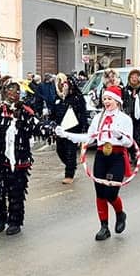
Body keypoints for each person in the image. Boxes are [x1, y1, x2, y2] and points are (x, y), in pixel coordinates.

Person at [0, 79, 52, 235]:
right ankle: (0, 218)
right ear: (3, 91)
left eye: (17, 90)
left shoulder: (24, 111)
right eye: (11, 89)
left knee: (16, 192)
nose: (15, 93)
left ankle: (15, 221)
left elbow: (37, 125)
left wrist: (50, 128)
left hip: (19, 160)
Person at [55, 86, 133, 241]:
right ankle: (104, 227)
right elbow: (89, 138)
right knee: (100, 194)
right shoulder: (99, 118)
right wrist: (66, 134)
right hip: (101, 156)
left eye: (109, 99)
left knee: (111, 193)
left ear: (117, 101)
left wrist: (119, 137)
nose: (106, 101)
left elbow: (129, 143)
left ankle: (120, 213)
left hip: (116, 157)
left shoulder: (125, 119)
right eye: (104, 99)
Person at [48, 73, 89, 185]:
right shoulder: (57, 98)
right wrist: (51, 125)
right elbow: (53, 113)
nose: (62, 86)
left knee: (71, 151)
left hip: (73, 129)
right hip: (60, 129)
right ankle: (71, 165)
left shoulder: (77, 97)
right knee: (60, 150)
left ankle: (69, 174)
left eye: (64, 83)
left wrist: (84, 127)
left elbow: (83, 113)